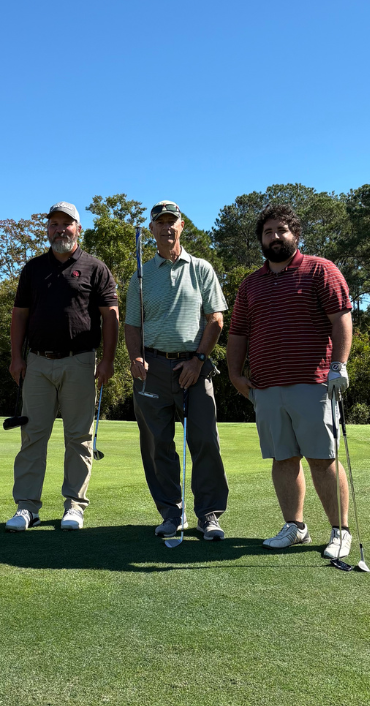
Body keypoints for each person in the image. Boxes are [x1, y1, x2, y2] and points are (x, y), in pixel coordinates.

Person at [226, 203, 354, 558]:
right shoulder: (251, 284)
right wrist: (236, 374)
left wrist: (339, 364)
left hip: (313, 383)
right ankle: (295, 527)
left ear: (295, 235)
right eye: (268, 232)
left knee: (322, 457)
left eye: (281, 230)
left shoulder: (320, 270)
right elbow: (237, 333)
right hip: (266, 386)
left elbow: (341, 319)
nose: (275, 237)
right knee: (283, 458)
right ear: (261, 240)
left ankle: (340, 530)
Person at [5, 202, 119, 532]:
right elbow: (20, 316)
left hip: (81, 361)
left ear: (78, 229)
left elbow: (110, 317)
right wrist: (16, 356)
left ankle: (74, 506)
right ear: (48, 229)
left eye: (66, 224)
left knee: (79, 438)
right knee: (32, 438)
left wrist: (108, 361)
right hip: (38, 362)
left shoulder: (96, 268)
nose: (60, 229)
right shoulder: (33, 269)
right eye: (54, 224)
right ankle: (27, 507)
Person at [124, 200, 229, 540]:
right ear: (152, 229)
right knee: (157, 445)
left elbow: (216, 319)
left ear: (182, 226)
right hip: (152, 367)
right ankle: (171, 513)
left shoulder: (201, 269)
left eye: (173, 222)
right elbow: (131, 325)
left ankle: (209, 515)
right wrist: (135, 356)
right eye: (160, 222)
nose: (167, 227)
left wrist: (198, 359)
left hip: (193, 368)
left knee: (205, 440)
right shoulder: (141, 275)